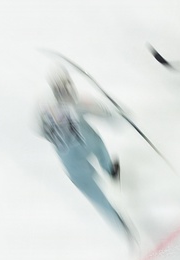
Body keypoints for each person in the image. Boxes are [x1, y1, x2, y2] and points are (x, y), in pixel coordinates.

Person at [38, 66, 132, 241]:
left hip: (71, 163)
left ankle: (118, 222)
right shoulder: (78, 103)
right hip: (86, 145)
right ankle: (109, 169)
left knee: (93, 192)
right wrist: (122, 115)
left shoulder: (45, 111)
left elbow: (39, 129)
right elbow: (105, 114)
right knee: (96, 141)